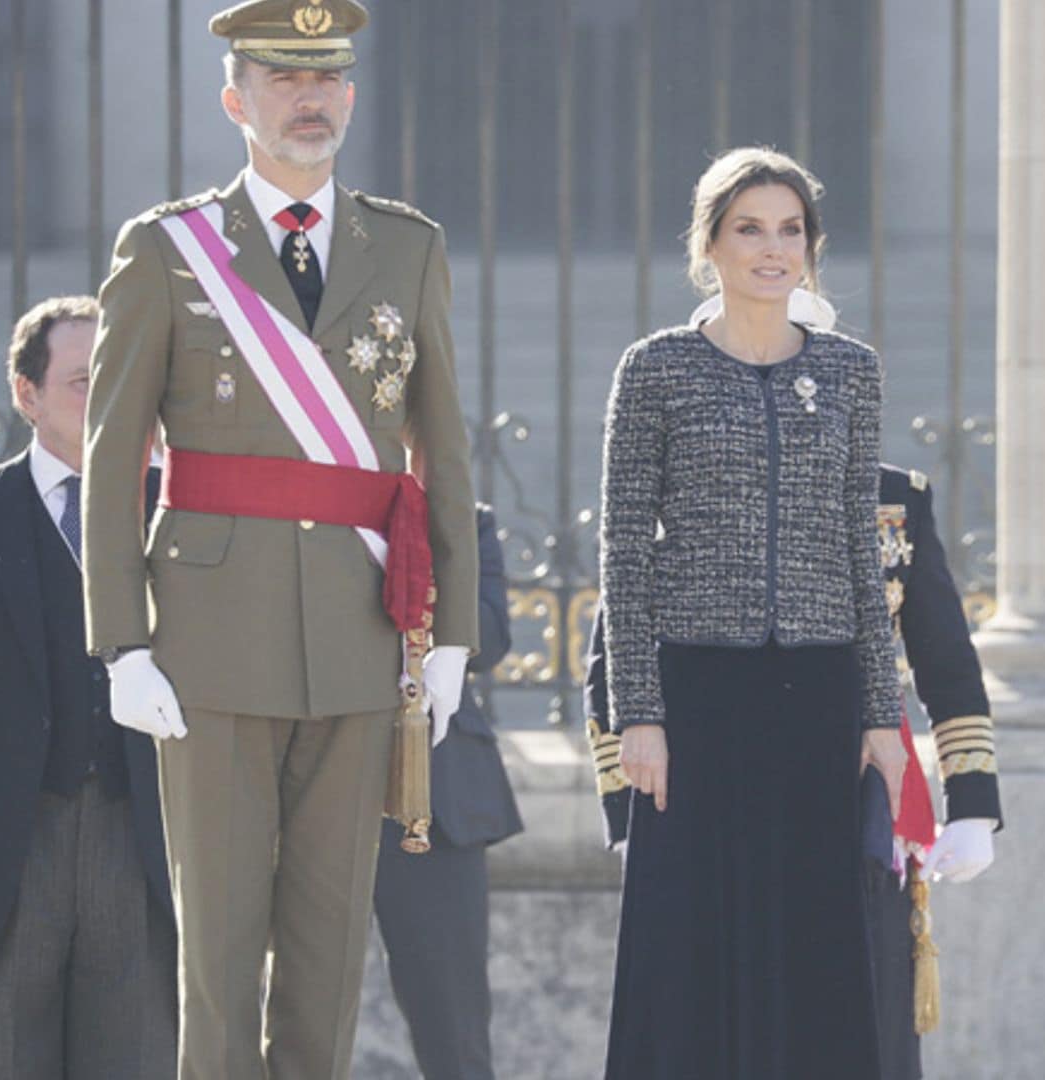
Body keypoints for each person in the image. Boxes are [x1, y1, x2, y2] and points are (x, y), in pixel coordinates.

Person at [80, 2, 479, 1076]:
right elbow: (115, 460)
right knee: (216, 949)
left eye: (328, 80)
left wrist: (451, 636)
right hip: (209, 638)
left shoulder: (406, 247)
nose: (311, 100)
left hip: (358, 636)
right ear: (235, 101)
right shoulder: (168, 252)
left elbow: (441, 448)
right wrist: (121, 640)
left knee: (328, 945)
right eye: (283, 80)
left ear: (350, 96)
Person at [596, 146, 902, 1078]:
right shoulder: (657, 369)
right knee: (687, 941)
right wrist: (637, 713)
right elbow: (621, 550)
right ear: (710, 247)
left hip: (817, 690)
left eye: (790, 230)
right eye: (749, 229)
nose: (773, 250)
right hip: (697, 696)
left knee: (816, 944)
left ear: (810, 248)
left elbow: (861, 541)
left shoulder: (851, 371)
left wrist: (882, 713)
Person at [587, 458, 1004, 1080]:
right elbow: (614, 662)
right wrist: (632, 809)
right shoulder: (688, 485)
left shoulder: (893, 498)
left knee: (864, 1016)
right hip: (715, 799)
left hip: (852, 801)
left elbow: (944, 660)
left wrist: (971, 801)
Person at [0, 297, 176, 1079]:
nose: (110, 398)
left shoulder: (179, 514)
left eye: (122, 378)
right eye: (86, 380)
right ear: (27, 393)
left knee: (140, 1060)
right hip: (3, 855)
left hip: (141, 847)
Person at [371, 503, 522, 1080]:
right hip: (317, 771)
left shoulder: (463, 519)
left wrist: (416, 579)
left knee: (453, 1026)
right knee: (298, 1011)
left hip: (441, 789)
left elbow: (492, 632)